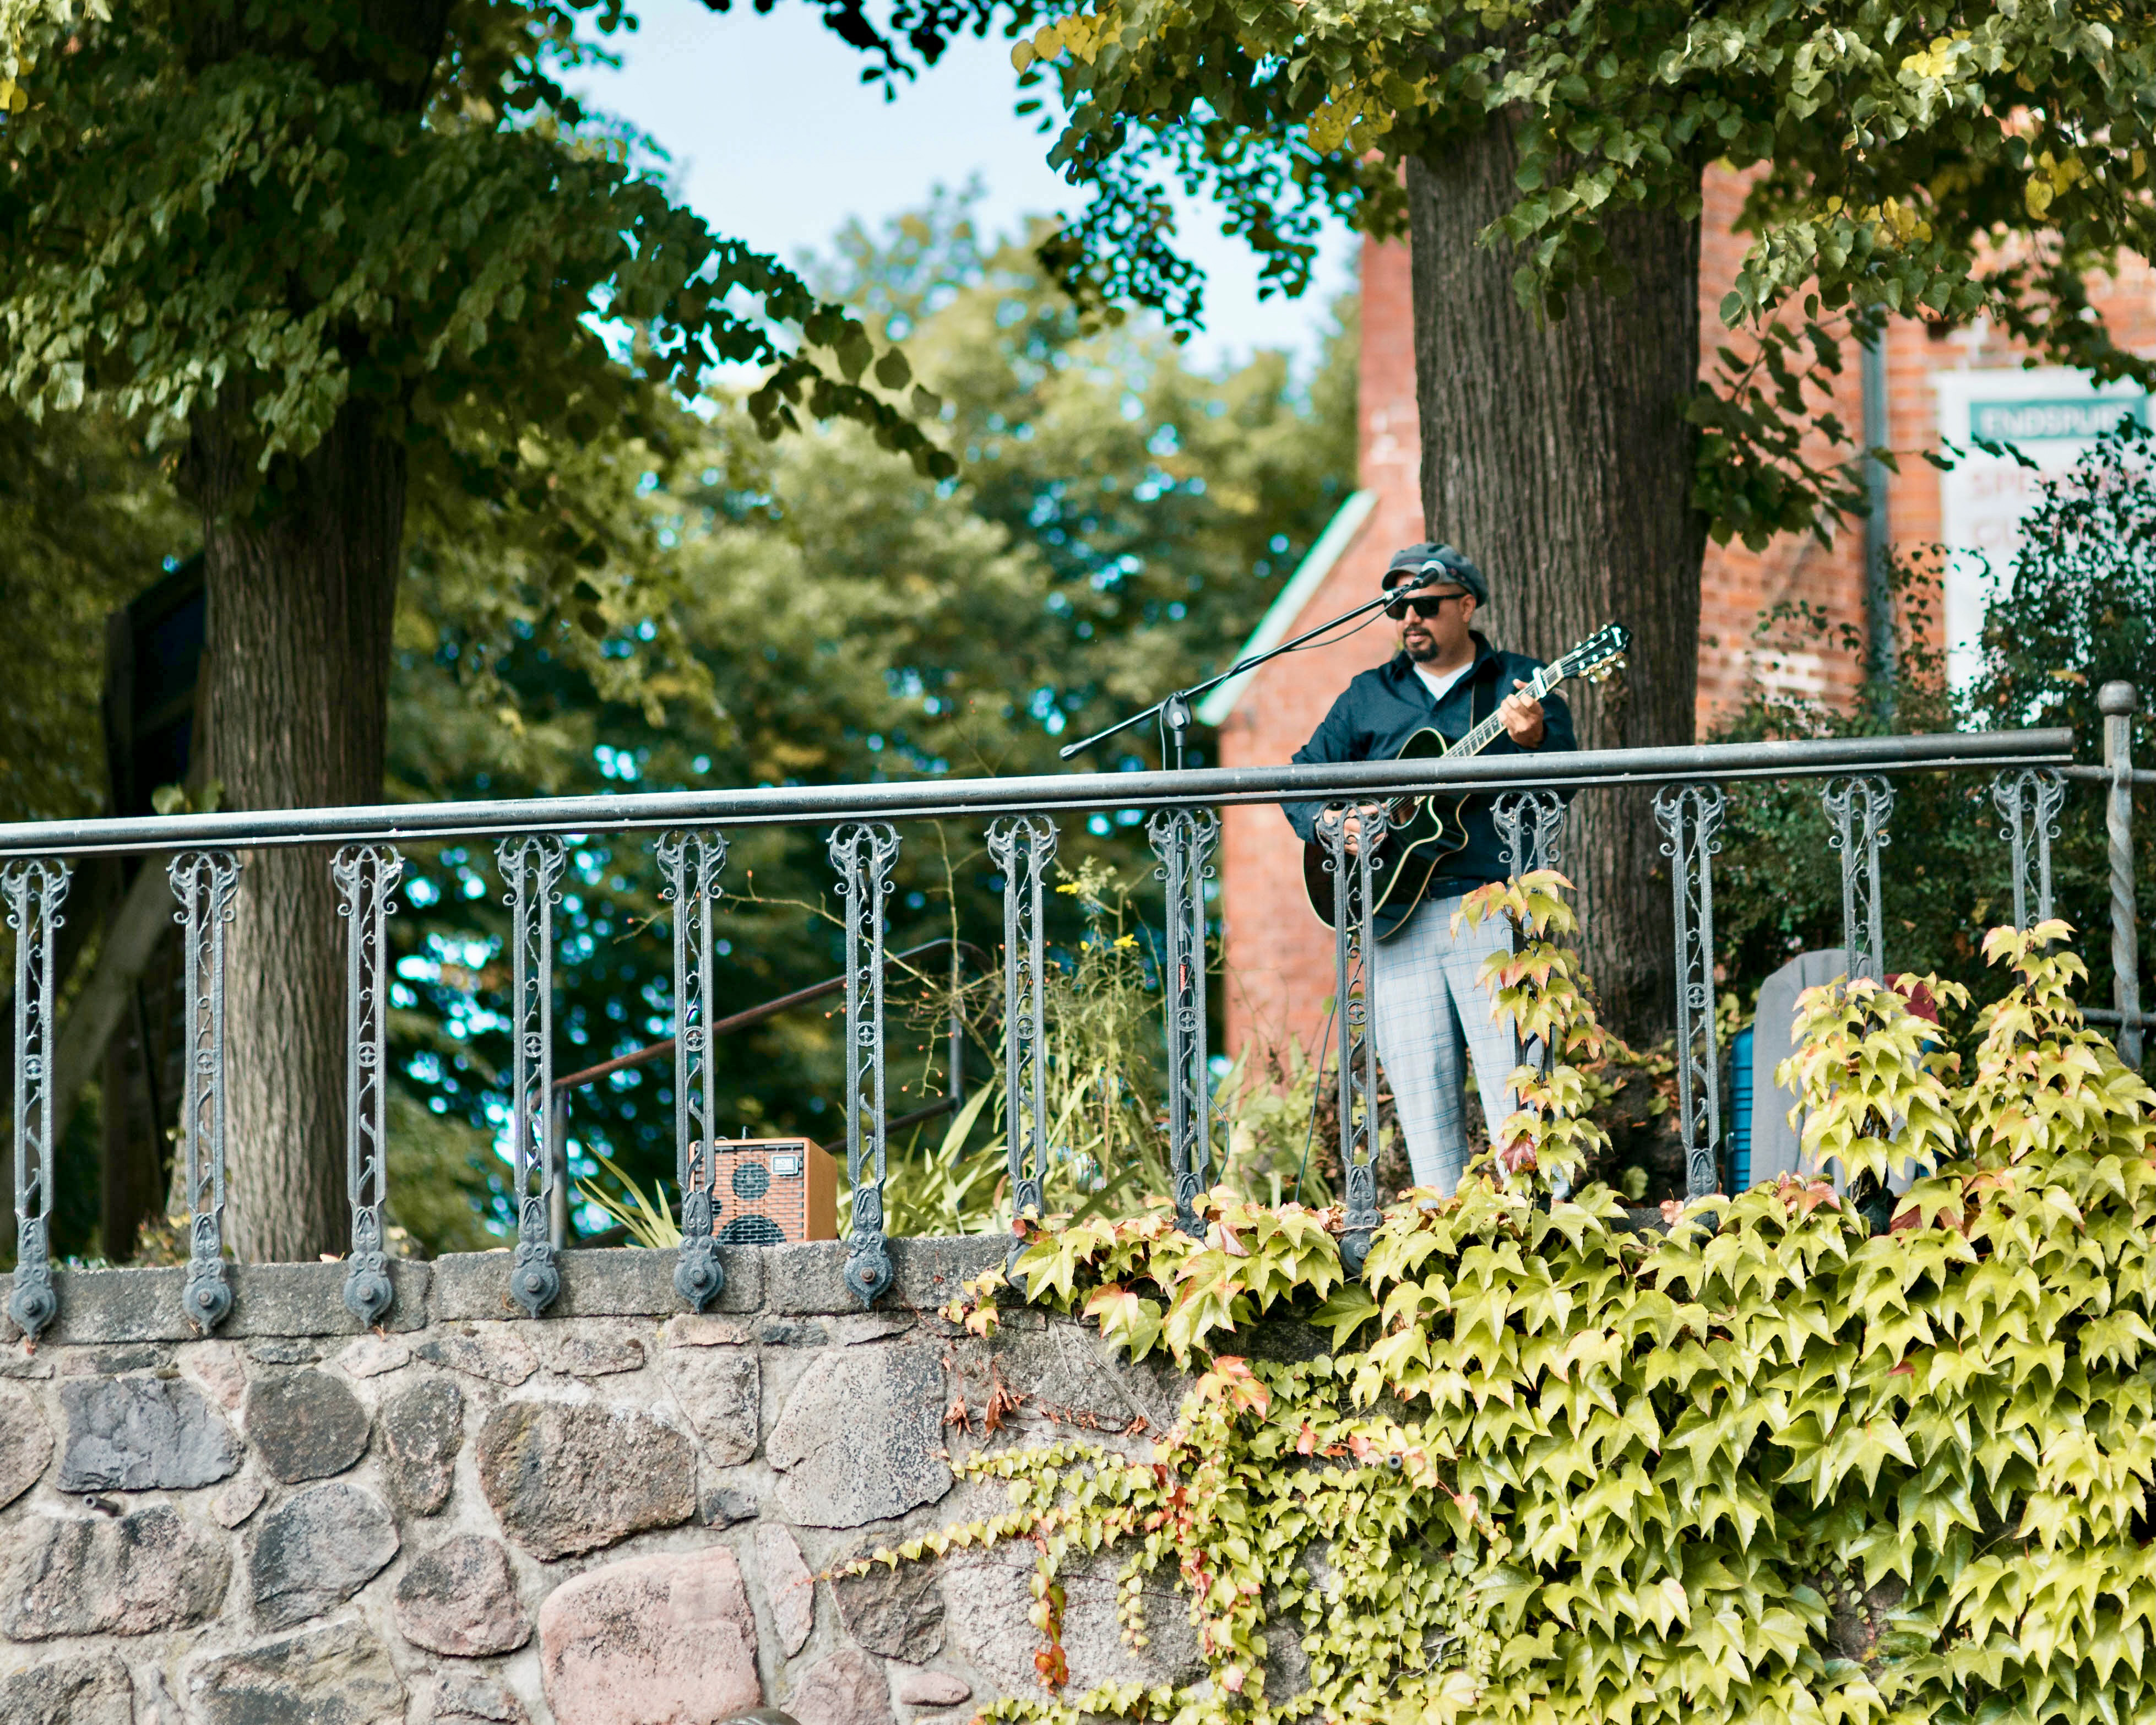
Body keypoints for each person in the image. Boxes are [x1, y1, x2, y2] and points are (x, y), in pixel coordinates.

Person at [1280, 543, 1577, 1194]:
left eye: (1425, 605)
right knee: (1422, 1102)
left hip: (1495, 911)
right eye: (1397, 607)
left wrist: (1532, 740)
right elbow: (1298, 776)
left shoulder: (1520, 683)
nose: (1409, 618)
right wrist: (1332, 825)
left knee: (1520, 1094)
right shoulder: (1369, 697)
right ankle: (1448, 1250)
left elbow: (1563, 787)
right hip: (1396, 918)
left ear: (1465, 605)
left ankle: (1543, 1237)